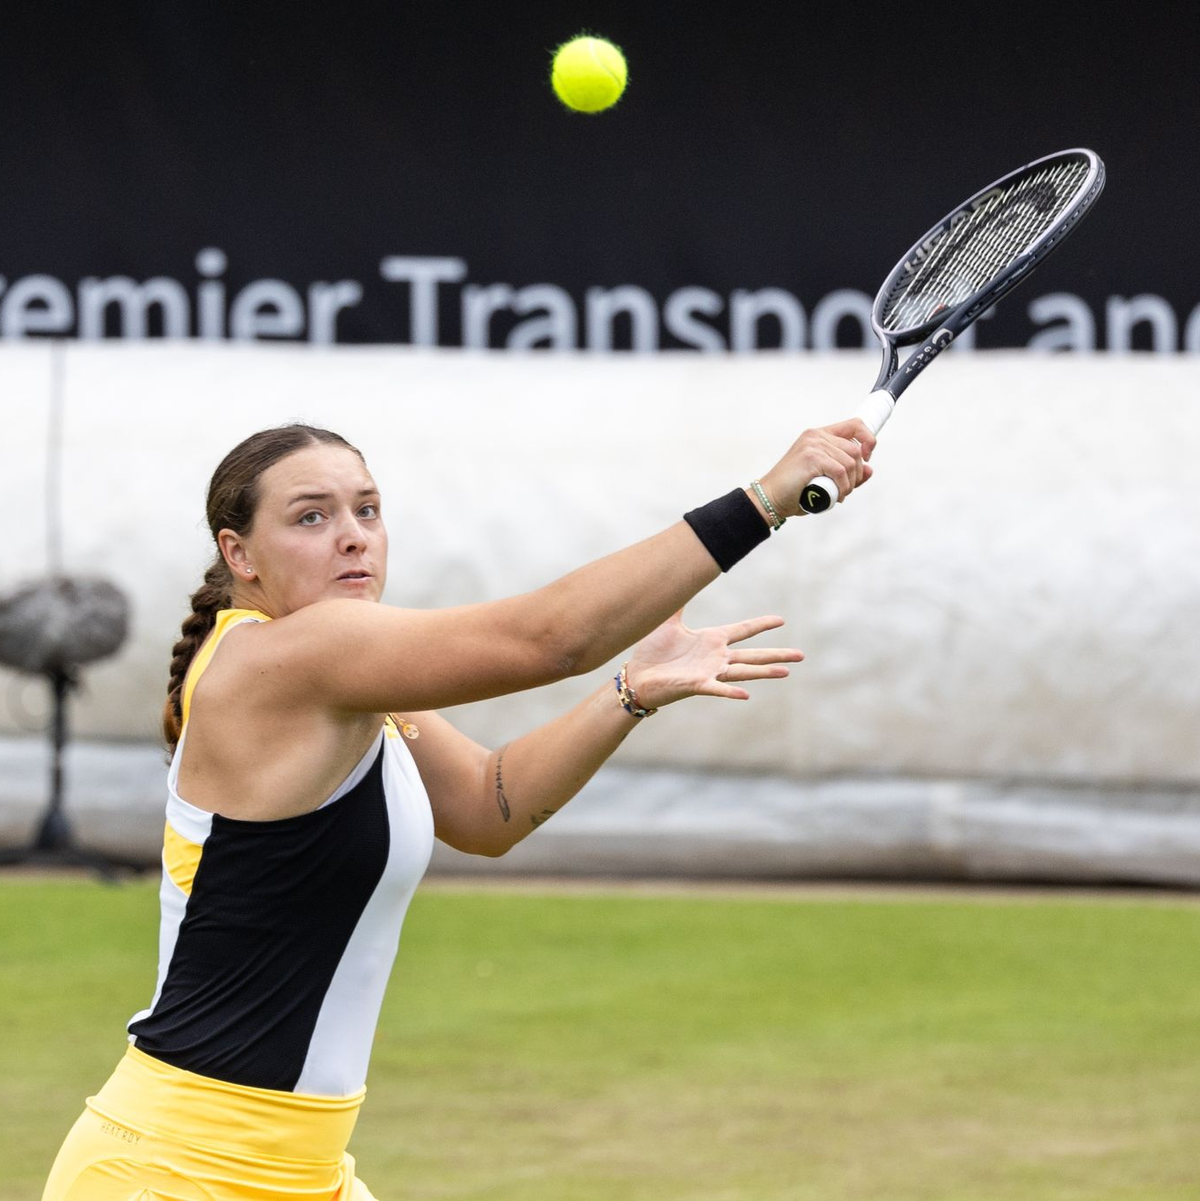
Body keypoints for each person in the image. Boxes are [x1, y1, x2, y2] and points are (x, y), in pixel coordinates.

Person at [41, 417, 874, 1200]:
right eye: (310, 516)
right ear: (241, 553)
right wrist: (767, 499)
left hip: (304, 1167)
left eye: (367, 508)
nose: (353, 532)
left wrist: (628, 692)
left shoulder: (353, 680)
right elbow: (547, 640)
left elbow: (488, 806)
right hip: (176, 1166)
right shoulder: (293, 657)